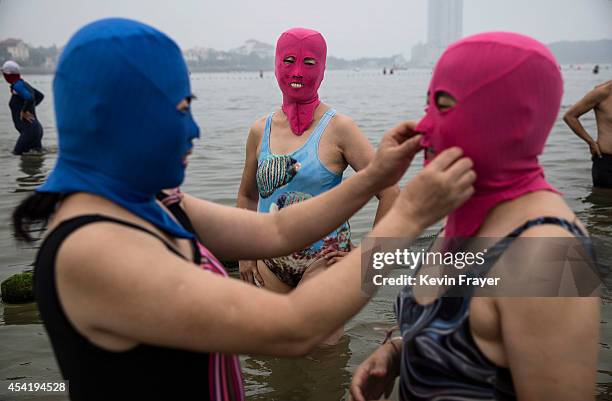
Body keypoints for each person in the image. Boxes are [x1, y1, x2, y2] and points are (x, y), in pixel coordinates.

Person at [12, 18, 475, 401]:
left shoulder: (152, 203)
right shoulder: (97, 250)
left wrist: (377, 178)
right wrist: (410, 217)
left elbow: (275, 230)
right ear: (116, 119)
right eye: (179, 109)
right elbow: (295, 328)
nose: (194, 130)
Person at [350, 32, 599, 401]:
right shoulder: (466, 211)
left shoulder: (547, 253)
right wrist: (401, 350)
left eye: (445, 107)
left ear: (509, 120)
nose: (423, 127)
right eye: (427, 107)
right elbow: (467, 329)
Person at [236, 28, 398, 319]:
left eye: (309, 63)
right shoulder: (260, 129)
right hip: (268, 261)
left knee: (326, 359)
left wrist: (367, 257)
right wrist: (245, 254)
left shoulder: (340, 128)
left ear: (322, 69)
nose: (297, 72)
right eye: (288, 61)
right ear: (276, 65)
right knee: (272, 355)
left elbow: (390, 191)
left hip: (324, 263)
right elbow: (247, 196)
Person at [564, 80, 612, 188]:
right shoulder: (603, 92)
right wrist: (590, 142)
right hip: (606, 163)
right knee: (603, 203)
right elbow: (570, 116)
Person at [2, 60, 44, 155]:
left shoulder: (17, 85)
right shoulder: (24, 84)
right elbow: (40, 96)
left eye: (3, 73)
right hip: (36, 129)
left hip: (29, 131)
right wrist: (30, 109)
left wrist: (24, 111)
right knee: (35, 165)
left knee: (15, 155)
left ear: (7, 75)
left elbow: (29, 98)